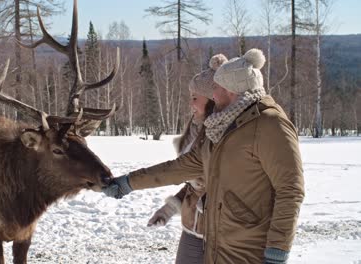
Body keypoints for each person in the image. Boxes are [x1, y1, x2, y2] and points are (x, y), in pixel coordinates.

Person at [103, 49, 304, 264]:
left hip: (251, 250)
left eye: (216, 88)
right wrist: (129, 182)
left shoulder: (270, 124)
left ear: (231, 90)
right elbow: (180, 167)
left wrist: (277, 251)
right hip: (217, 245)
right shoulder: (222, 126)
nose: (213, 94)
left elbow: (290, 190)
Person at [147, 54, 227, 264]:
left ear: (212, 99)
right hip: (192, 229)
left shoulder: (227, 135)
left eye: (194, 97)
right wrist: (169, 209)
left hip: (223, 234)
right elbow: (195, 185)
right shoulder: (195, 132)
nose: (190, 103)